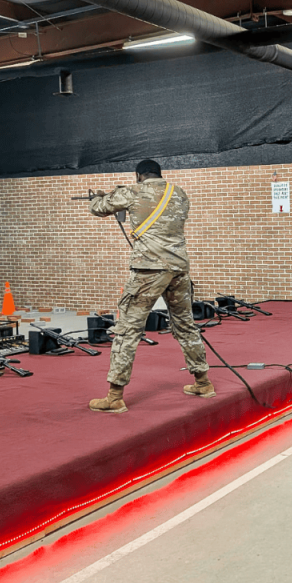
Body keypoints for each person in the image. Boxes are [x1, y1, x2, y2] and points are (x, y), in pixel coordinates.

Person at [86, 159, 211, 413]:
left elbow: (98, 208)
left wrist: (103, 196)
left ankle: (114, 396)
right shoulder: (179, 193)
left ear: (138, 175)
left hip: (148, 270)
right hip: (178, 268)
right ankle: (203, 382)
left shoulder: (133, 191)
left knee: (127, 329)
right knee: (185, 324)